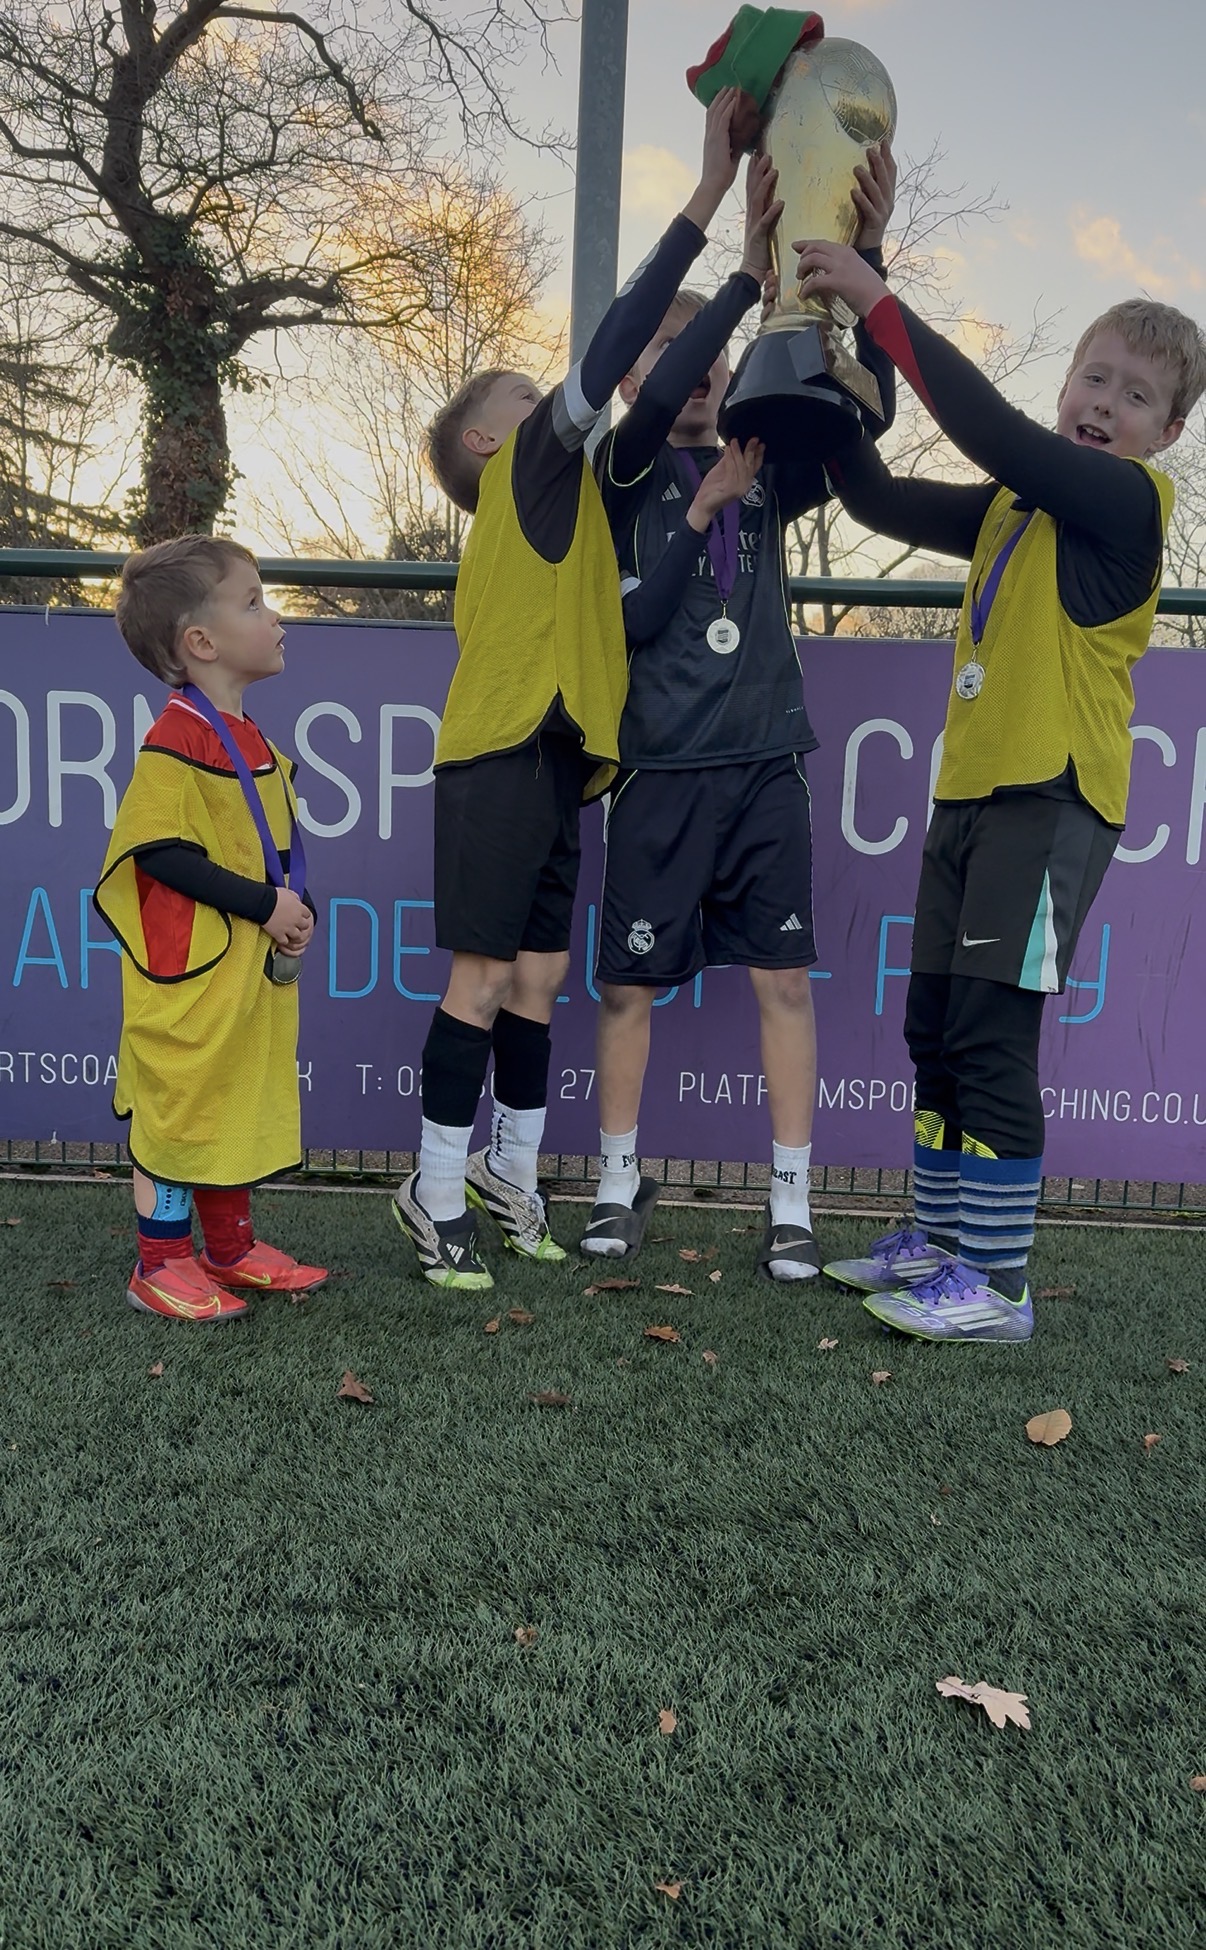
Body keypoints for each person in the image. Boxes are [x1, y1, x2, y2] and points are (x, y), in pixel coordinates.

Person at [786, 237, 1206, 1339]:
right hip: (971, 797)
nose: (1105, 402)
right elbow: (875, 499)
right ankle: (940, 1243)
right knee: (934, 1027)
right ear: (1068, 383)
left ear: (1168, 433)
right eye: (1094, 378)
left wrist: (880, 302)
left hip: (1052, 801)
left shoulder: (1128, 502)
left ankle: (999, 1284)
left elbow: (993, 429)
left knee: (988, 1035)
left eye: (1137, 395)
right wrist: (842, 391)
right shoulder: (1013, 509)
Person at [391, 92, 753, 1293]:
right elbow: (622, 349)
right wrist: (707, 195)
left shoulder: (581, 504)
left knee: (540, 981)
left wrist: (748, 284)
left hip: (557, 758)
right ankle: (434, 1190)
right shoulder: (532, 474)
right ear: (492, 443)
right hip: (498, 753)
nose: (544, 399)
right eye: (520, 395)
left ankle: (511, 1174)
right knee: (484, 978)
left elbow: (656, 399)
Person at [579, 143, 897, 1281]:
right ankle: (618, 1183)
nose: (698, 373)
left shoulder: (765, 457)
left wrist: (863, 258)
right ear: (636, 381)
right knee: (628, 988)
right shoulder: (619, 477)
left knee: (783, 983)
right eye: (670, 358)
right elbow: (633, 627)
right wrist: (701, 505)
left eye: (708, 355)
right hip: (659, 768)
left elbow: (866, 425)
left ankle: (793, 1205)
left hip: (766, 762)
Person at [94, 536, 326, 1322]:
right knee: (180, 1110)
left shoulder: (250, 737)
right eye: (254, 603)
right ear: (202, 641)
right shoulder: (178, 736)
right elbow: (158, 851)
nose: (276, 618)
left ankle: (228, 1249)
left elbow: (266, 848)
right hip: (190, 980)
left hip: (241, 976)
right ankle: (159, 1263)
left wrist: (296, 907)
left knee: (229, 1100)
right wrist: (265, 906)